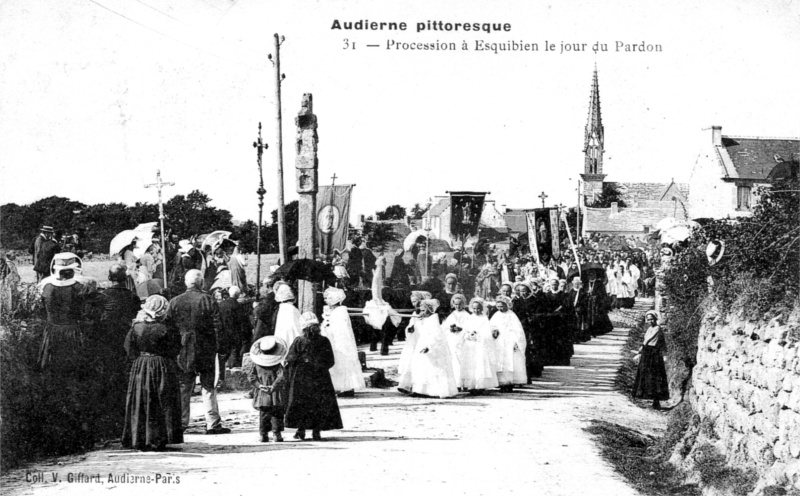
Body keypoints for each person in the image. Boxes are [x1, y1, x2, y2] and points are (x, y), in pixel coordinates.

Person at [38, 252, 98, 450]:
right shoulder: (79, 288)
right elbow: (87, 313)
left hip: (53, 336)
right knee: (78, 384)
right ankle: (81, 435)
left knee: (55, 384)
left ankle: (56, 437)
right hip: (73, 335)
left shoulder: (46, 287)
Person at [165, 269, 230, 435]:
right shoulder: (208, 300)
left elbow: (169, 328)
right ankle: (212, 423)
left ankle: (181, 422)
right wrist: (221, 348)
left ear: (186, 283)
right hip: (206, 349)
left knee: (184, 387)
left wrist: (173, 349)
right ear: (201, 283)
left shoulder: (174, 302)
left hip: (183, 349)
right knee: (208, 387)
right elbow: (218, 326)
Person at [121, 295, 184, 451]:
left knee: (140, 400)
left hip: (141, 364)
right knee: (160, 400)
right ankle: (159, 438)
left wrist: (139, 359)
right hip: (162, 365)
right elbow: (175, 349)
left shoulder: (136, 327)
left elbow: (129, 349)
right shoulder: (167, 328)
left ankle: (139, 437)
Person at [97, 264, 142, 433]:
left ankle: (111, 419)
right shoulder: (132, 297)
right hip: (127, 342)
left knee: (110, 379)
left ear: (110, 278)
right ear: (125, 279)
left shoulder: (103, 296)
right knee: (126, 379)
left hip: (108, 343)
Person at [284, 313, 343, 441]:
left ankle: (301, 430)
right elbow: (331, 361)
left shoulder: (299, 341)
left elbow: (291, 358)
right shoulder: (324, 341)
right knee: (319, 403)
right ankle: (317, 431)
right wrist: (320, 366)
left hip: (302, 377)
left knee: (302, 403)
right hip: (320, 376)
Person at [397, 299, 459, 398]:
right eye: (420, 310)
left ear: (430, 310)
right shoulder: (424, 319)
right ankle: (420, 390)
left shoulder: (433, 320)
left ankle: (434, 391)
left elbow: (437, 336)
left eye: (423, 310)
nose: (421, 313)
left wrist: (429, 347)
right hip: (422, 344)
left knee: (432, 367)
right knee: (421, 366)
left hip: (431, 347)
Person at [321, 287, 366, 396]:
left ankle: (347, 387)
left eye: (327, 298)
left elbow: (341, 330)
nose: (325, 300)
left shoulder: (340, 312)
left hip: (340, 342)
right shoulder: (333, 311)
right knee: (337, 365)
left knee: (343, 363)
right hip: (334, 341)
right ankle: (340, 386)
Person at [248, 336, 288, 442]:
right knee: (277, 414)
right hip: (276, 393)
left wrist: (259, 385)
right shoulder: (277, 365)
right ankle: (276, 434)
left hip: (262, 393)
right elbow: (282, 377)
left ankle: (263, 435)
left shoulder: (256, 365)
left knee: (264, 414)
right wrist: (274, 386)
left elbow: (251, 377)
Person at [458, 298, 499, 394]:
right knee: (471, 363)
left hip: (480, 345)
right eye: (474, 308)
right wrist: (468, 335)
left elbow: (487, 332)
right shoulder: (470, 317)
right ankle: (471, 385)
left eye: (478, 309)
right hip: (470, 345)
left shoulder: (484, 318)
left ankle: (480, 385)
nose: (476, 311)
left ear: (482, 308)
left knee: (480, 364)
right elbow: (465, 329)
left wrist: (478, 335)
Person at [632, 311, 669, 409]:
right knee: (646, 374)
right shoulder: (649, 329)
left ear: (656, 319)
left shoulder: (657, 329)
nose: (650, 321)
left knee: (655, 375)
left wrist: (641, 349)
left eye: (652, 319)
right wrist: (642, 350)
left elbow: (648, 340)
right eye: (648, 319)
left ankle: (656, 400)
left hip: (654, 354)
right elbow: (646, 340)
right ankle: (648, 397)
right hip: (647, 353)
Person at [490, 295, 527, 392]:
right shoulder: (496, 315)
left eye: (502, 306)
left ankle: (510, 383)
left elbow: (518, 330)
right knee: (500, 360)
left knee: (510, 360)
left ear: (507, 305)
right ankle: (501, 383)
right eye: (498, 306)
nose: (500, 308)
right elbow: (491, 326)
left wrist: (516, 342)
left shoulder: (512, 315)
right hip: (499, 341)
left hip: (509, 340)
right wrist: (493, 331)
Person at [398, 291, 430, 378]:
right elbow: (411, 323)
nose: (414, 304)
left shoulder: (426, 312)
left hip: (422, 336)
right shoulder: (415, 313)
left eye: (415, 301)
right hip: (414, 336)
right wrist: (409, 328)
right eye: (412, 302)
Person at [441, 293, 469, 387]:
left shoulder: (466, 315)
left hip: (462, 340)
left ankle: (463, 382)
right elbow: (445, 326)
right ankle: (456, 382)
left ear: (463, 304)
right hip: (453, 339)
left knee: (462, 360)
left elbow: (470, 327)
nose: (457, 306)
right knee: (454, 360)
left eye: (460, 304)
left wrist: (461, 329)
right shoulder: (452, 315)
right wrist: (450, 329)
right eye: (456, 304)